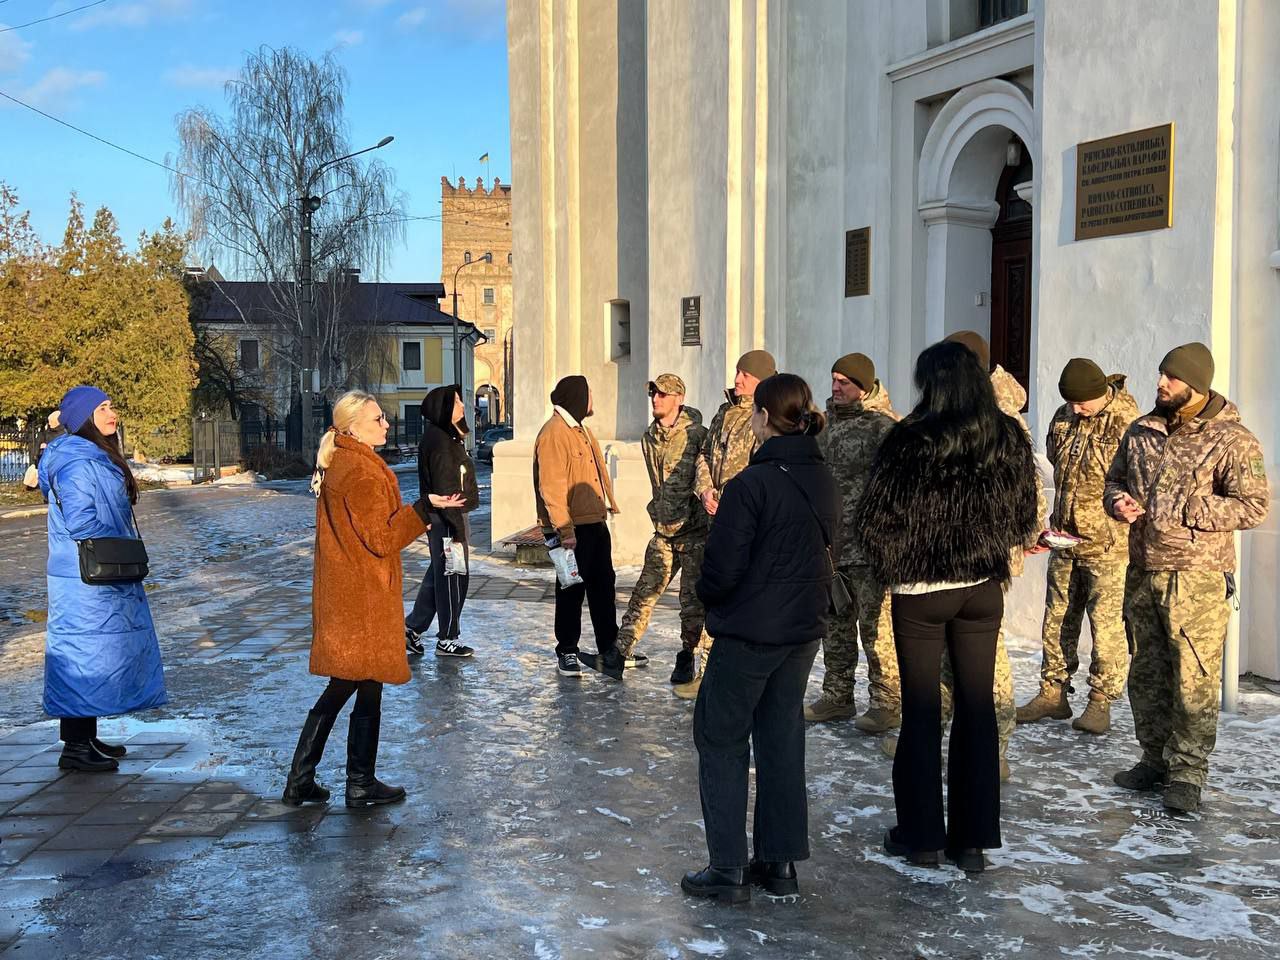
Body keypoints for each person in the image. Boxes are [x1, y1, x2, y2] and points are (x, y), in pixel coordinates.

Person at [857, 341, 1039, 872]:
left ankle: (922, 838)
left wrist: (902, 562)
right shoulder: (1004, 436)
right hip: (981, 588)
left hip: (920, 593)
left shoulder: (907, 440)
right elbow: (1023, 512)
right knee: (977, 710)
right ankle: (972, 841)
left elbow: (874, 520)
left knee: (920, 712)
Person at [682, 373, 839, 903]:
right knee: (781, 740)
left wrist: (710, 598)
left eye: (753, 413)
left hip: (750, 632)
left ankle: (727, 867)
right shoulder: (823, 476)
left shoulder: (751, 484)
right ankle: (780, 864)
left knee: (721, 736)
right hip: (801, 631)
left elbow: (721, 570)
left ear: (766, 418)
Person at [1104, 343, 1269, 814]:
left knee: (1193, 678)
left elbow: (1253, 505)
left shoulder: (1233, 439)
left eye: (1171, 378)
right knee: (1147, 671)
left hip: (1197, 577)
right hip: (1143, 571)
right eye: (1161, 375)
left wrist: (1192, 508)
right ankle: (1153, 758)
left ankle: (1188, 772)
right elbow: (1114, 482)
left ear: (1196, 385)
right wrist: (1118, 503)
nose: (1161, 384)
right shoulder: (1140, 431)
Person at [282, 391, 430, 809]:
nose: (386, 424)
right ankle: (334, 781)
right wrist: (422, 510)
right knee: (349, 685)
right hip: (361, 598)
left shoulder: (344, 462)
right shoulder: (360, 472)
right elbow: (382, 538)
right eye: (378, 418)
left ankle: (338, 780)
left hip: (351, 594)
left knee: (363, 685)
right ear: (352, 428)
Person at [37, 386, 166, 772]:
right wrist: (118, 547)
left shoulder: (92, 455)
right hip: (84, 575)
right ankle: (74, 748)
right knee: (81, 654)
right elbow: (82, 521)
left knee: (93, 653)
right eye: (104, 408)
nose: (113, 414)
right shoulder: (77, 462)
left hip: (93, 573)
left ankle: (85, 737)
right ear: (83, 418)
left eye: (112, 406)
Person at [1017, 359, 1137, 734]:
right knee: (1057, 618)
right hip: (1064, 537)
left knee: (1106, 627)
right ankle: (1052, 693)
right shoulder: (1062, 417)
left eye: (1082, 403)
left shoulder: (1128, 422)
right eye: (1069, 402)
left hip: (1108, 545)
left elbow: (1139, 479)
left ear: (1100, 393)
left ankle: (1100, 701)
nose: (1075, 409)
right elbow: (1056, 462)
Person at [806, 353, 901, 733]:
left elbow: (898, 486)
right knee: (834, 627)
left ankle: (887, 701)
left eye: (844, 381)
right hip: (831, 547)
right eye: (833, 379)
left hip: (869, 551)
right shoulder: (823, 427)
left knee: (876, 629)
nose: (835, 387)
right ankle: (837, 696)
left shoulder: (882, 427)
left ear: (864, 385)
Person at [681, 349, 777, 698]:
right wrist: (705, 488)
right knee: (716, 595)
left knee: (745, 599)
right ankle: (708, 675)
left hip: (746, 523)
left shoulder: (767, 416)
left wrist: (735, 503)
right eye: (737, 372)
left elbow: (763, 467)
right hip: (715, 521)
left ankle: (741, 678)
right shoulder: (723, 412)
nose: (737, 380)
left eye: (745, 375)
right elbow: (704, 454)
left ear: (762, 380)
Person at [616, 374, 710, 681]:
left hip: (694, 532)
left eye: (663, 395)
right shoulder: (649, 437)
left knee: (692, 602)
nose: (656, 399)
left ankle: (687, 656)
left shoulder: (698, 435)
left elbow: (704, 475)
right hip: (664, 531)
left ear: (679, 399)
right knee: (645, 592)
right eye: (653, 394)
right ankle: (618, 652)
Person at [533, 375, 625, 681]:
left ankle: (608, 647)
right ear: (577, 397)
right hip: (572, 530)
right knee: (571, 589)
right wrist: (564, 529)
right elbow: (552, 487)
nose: (592, 399)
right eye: (589, 393)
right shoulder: (554, 434)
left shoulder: (580, 430)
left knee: (603, 587)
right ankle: (567, 649)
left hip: (594, 522)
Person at [405, 385, 479, 659]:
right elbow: (446, 490)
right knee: (452, 577)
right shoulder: (440, 442)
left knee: (439, 576)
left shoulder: (447, 438)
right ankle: (448, 638)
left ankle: (412, 629)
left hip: (449, 519)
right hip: (447, 519)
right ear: (444, 408)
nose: (462, 405)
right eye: (457, 401)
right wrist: (457, 530)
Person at [22, 411, 62, 490]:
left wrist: (47, 446)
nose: (49, 423)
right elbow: (37, 445)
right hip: (46, 460)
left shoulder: (64, 434)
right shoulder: (46, 433)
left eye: (51, 421)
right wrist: (36, 454)